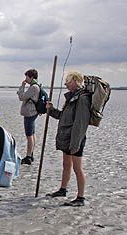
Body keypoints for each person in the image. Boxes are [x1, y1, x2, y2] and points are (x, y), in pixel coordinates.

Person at [46, 71, 91, 207]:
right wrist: (51, 110)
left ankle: (81, 197)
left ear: (76, 81)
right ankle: (63, 189)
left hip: (75, 139)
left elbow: (80, 123)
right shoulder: (71, 97)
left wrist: (75, 144)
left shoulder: (82, 99)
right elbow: (63, 116)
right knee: (66, 164)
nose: (65, 83)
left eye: (68, 80)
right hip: (67, 138)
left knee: (77, 168)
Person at [17, 69, 40, 165]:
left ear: (31, 77)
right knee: (32, 134)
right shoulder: (36, 86)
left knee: (29, 135)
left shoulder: (33, 87)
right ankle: (31, 153)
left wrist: (22, 86)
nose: (25, 79)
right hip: (32, 113)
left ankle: (28, 156)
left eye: (27, 77)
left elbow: (22, 97)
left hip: (30, 113)